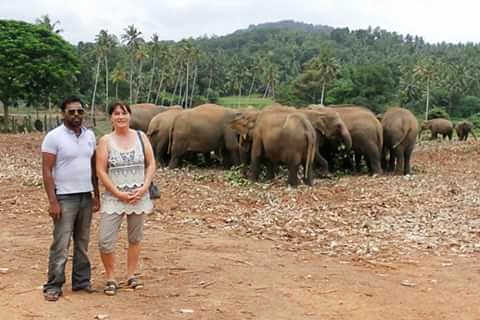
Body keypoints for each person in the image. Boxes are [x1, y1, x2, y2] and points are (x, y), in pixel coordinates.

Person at [41, 96, 100, 301]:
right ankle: (53, 285)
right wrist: (53, 201)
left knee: (82, 242)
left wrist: (96, 195)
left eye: (79, 111)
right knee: (61, 242)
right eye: (71, 111)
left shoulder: (90, 136)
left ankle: (81, 282)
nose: (76, 115)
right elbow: (47, 171)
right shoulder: (54, 137)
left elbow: (93, 168)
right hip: (64, 197)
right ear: (63, 113)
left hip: (85, 195)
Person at [96, 101, 156, 296]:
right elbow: (101, 170)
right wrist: (117, 193)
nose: (120, 117)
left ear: (129, 115)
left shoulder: (141, 137)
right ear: (110, 118)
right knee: (105, 240)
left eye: (123, 113)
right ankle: (110, 277)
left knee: (135, 238)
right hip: (114, 197)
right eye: (116, 113)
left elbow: (151, 163)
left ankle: (131, 275)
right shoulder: (106, 140)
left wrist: (145, 187)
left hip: (138, 195)